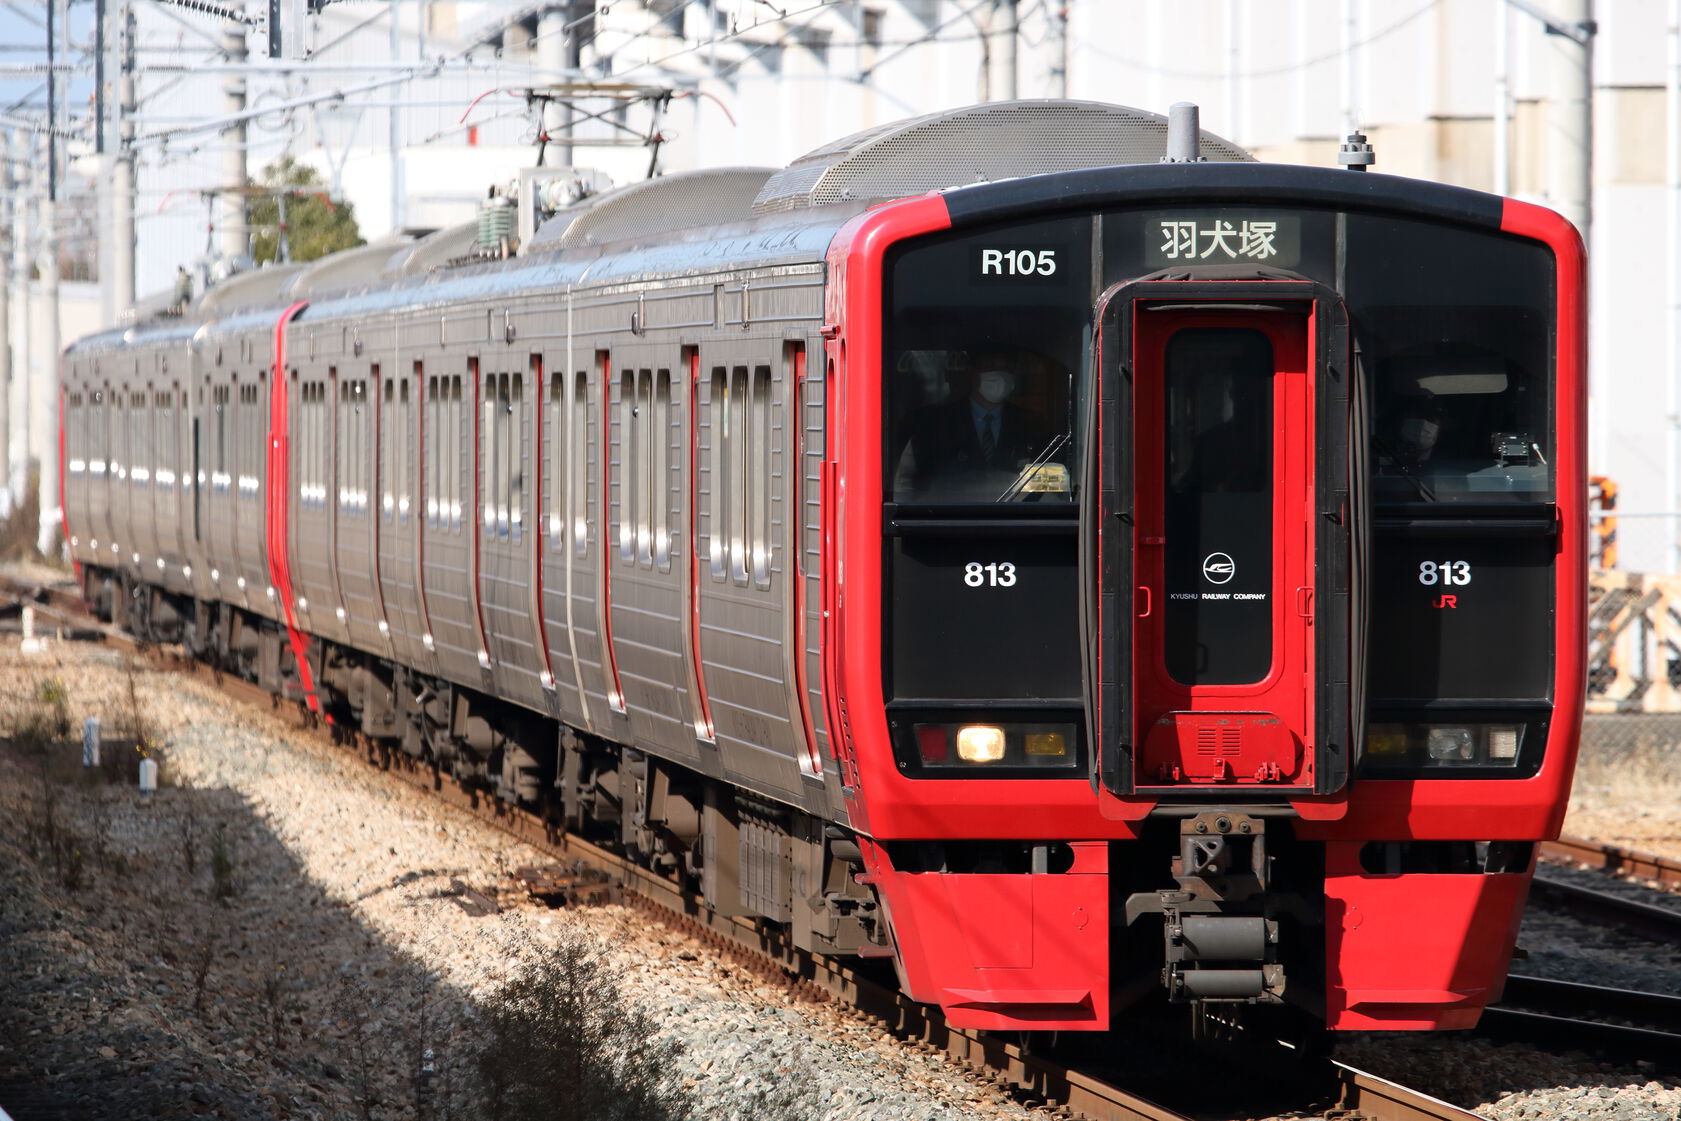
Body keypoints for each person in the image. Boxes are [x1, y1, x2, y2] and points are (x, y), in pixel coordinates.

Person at [894, 367, 1049, 500]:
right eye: (990, 366)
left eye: (1007, 368)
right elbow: (908, 486)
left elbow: (1049, 481)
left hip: (1018, 521)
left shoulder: (1030, 422)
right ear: (972, 373)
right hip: (947, 522)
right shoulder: (934, 422)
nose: (1000, 376)